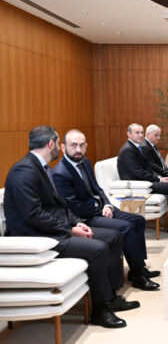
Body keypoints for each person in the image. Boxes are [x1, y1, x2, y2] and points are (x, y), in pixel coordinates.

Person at [3, 126, 138, 328]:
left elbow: (59, 206)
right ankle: (100, 311)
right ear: (51, 144)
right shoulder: (24, 170)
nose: (59, 147)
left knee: (113, 236)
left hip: (51, 230)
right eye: (58, 143)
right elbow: (33, 214)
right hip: (37, 238)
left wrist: (76, 222)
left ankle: (110, 297)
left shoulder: (39, 166)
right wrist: (69, 230)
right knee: (98, 249)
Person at [52, 129, 160, 291]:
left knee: (138, 220)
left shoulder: (85, 162)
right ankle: (138, 276)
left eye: (81, 145)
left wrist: (107, 205)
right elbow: (75, 206)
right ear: (63, 147)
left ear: (86, 146)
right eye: (73, 145)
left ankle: (138, 267)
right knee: (126, 227)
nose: (78, 150)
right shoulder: (60, 173)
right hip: (84, 217)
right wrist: (99, 207)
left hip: (100, 209)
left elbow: (97, 189)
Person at [117, 123, 168, 234]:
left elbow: (146, 168)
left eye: (141, 132)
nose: (140, 135)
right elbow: (139, 173)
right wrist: (159, 179)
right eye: (137, 132)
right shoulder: (128, 150)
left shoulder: (136, 147)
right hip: (138, 185)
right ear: (129, 134)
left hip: (144, 181)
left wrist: (159, 177)